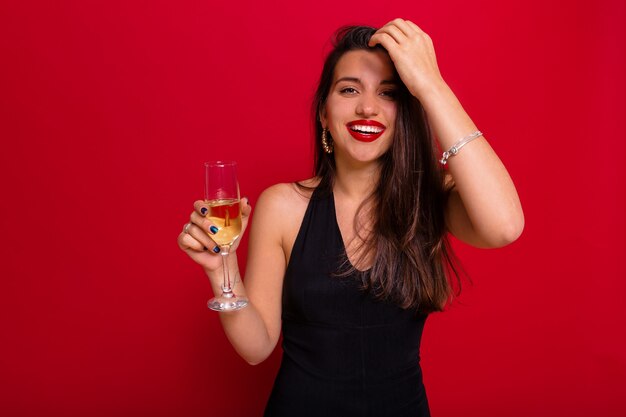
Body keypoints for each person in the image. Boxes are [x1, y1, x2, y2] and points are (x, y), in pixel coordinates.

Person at [177, 19, 524, 417]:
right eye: (349, 89)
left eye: (389, 93)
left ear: (406, 113)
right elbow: (257, 348)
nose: (367, 107)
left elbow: (505, 227)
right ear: (324, 113)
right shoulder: (282, 205)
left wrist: (431, 85)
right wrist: (221, 267)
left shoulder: (430, 199)